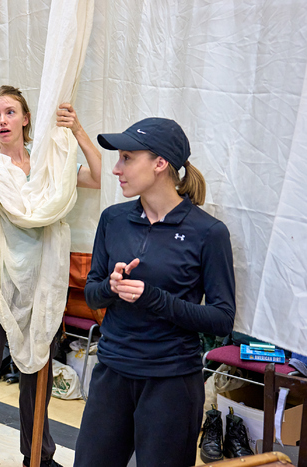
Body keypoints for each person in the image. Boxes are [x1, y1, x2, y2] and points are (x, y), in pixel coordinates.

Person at [0, 85, 102, 467]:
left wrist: (77, 130)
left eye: (9, 112)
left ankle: (39, 457)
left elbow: (97, 177)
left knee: (37, 376)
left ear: (26, 117)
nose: (2, 121)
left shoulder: (47, 165)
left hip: (39, 287)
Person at [74, 118, 236, 467]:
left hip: (172, 384)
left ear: (160, 163)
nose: (116, 169)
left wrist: (155, 299)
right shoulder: (113, 219)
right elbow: (92, 294)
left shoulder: (208, 232)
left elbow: (222, 320)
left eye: (127, 158)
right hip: (112, 373)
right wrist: (110, 287)